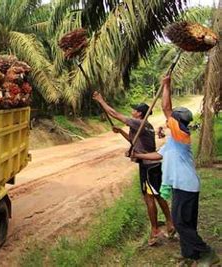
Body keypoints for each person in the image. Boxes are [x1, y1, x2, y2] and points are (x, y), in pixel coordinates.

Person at [132, 76, 220, 266]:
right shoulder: (173, 140)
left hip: (186, 185)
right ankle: (190, 254)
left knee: (180, 223)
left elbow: (165, 108)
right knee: (185, 222)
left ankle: (207, 253)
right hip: (182, 186)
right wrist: (137, 155)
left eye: (171, 118)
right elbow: (157, 155)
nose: (168, 119)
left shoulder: (181, 135)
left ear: (176, 121)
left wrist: (166, 85)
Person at [92, 92, 175, 246]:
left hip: (148, 168)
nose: (132, 111)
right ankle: (169, 223)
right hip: (151, 167)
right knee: (156, 196)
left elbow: (114, 113)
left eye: (135, 110)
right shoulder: (145, 126)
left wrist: (100, 100)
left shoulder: (139, 123)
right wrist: (121, 131)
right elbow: (133, 141)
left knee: (150, 198)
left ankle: (155, 230)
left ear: (140, 113)